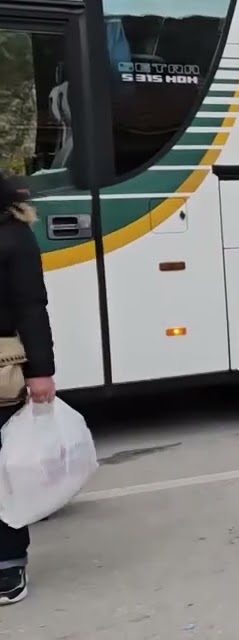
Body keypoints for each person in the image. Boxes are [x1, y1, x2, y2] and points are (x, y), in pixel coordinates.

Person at [0, 173, 56, 605]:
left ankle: (8, 560)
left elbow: (31, 306)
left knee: (4, 470)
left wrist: (40, 372)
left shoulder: (13, 236)